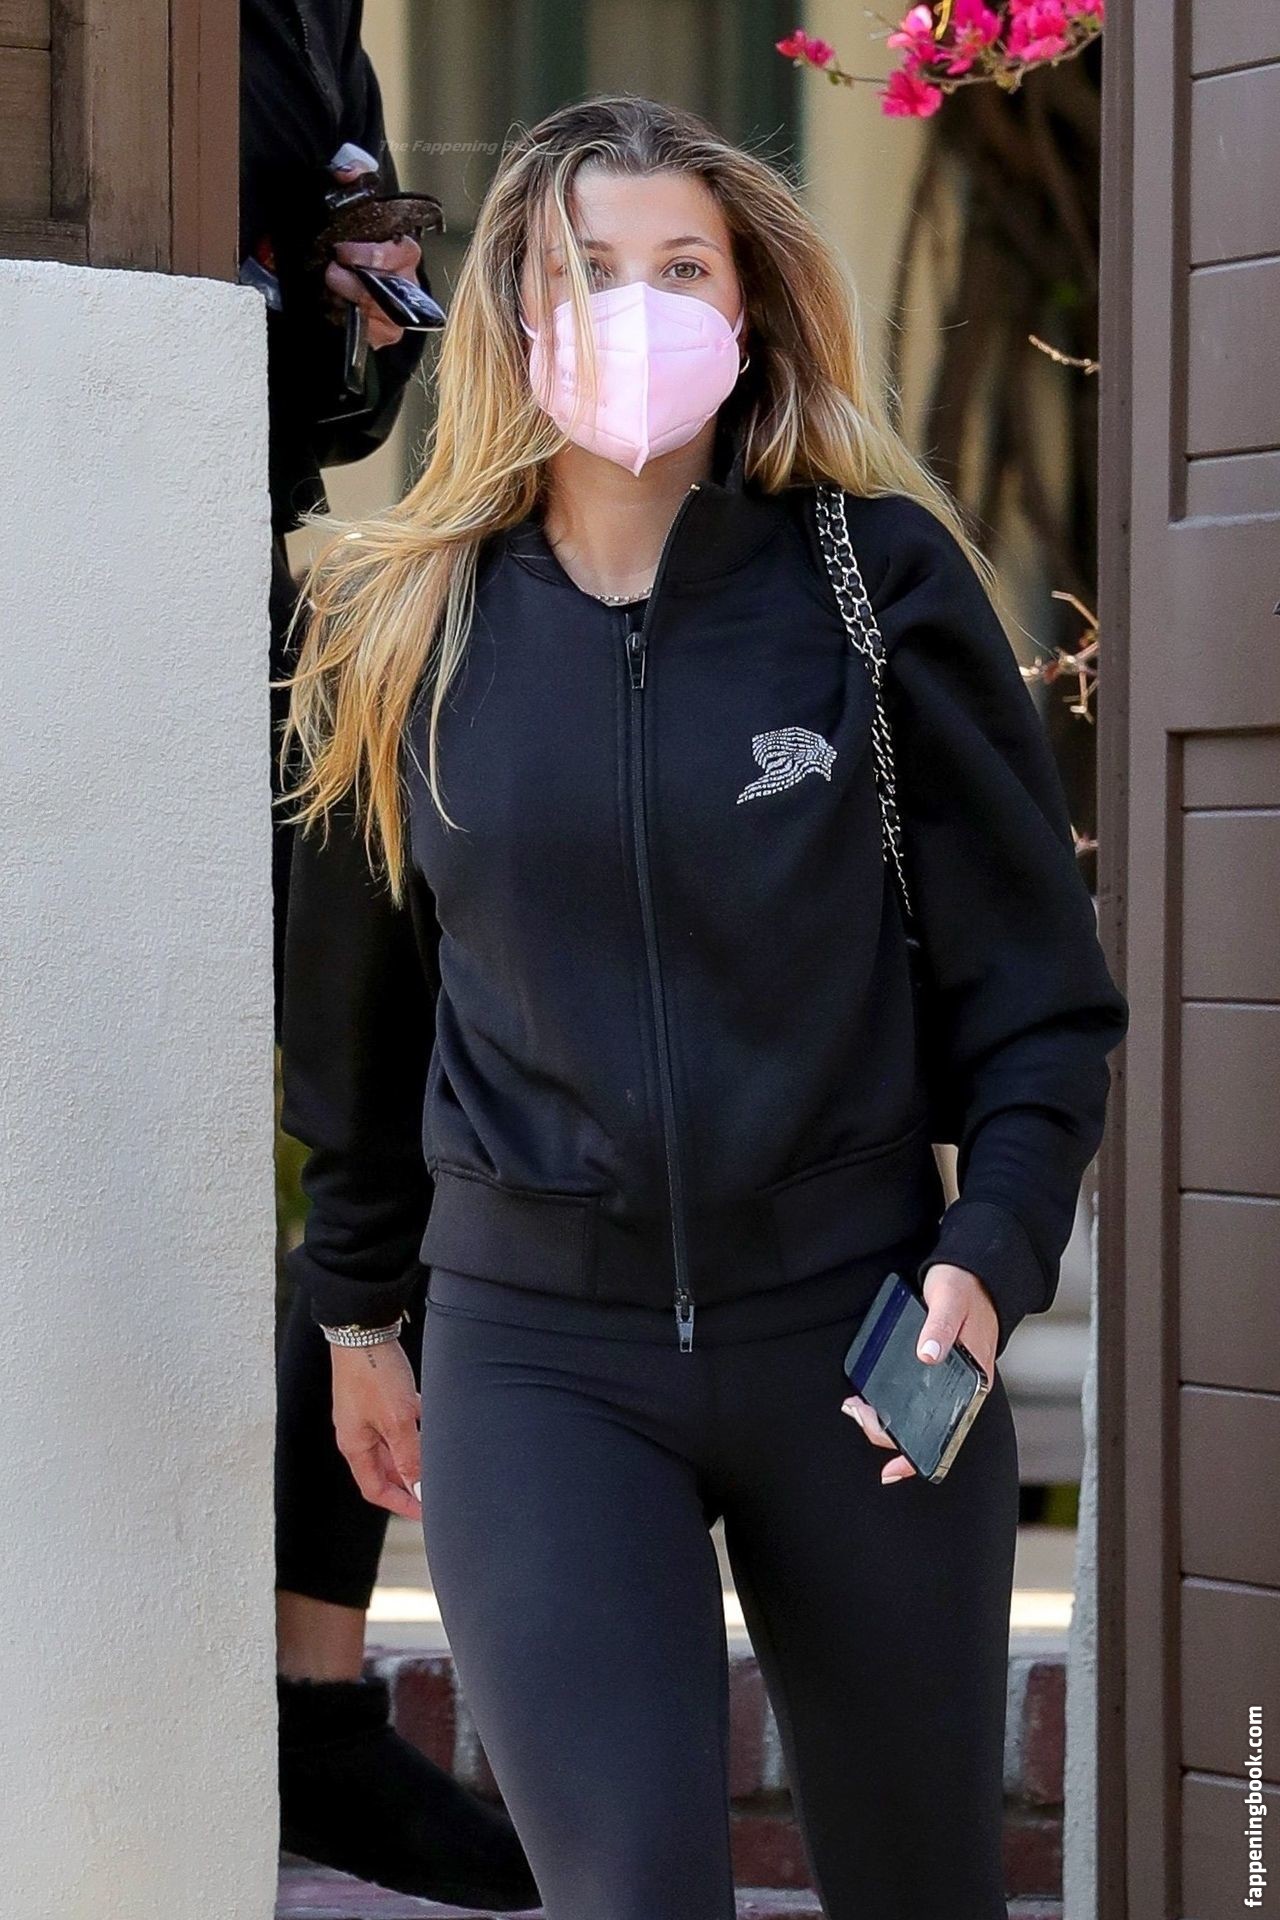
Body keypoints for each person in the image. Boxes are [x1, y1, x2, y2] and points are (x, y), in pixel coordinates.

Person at [276, 92, 1130, 1920]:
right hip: (539, 1362)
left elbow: (1040, 1000)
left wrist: (987, 1257)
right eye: (590, 270)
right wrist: (357, 1312)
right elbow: (354, 1022)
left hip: (863, 1337)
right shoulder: (403, 625)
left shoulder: (874, 585)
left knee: (923, 1893)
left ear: (749, 309)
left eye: (683, 268)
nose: (638, 308)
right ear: (518, 312)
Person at [242, 2, 540, 1906]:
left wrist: (355, 304)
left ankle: (310, 1698)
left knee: (388, 1090)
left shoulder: (314, 23)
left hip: (250, 567)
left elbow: (328, 407)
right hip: (102, 551)